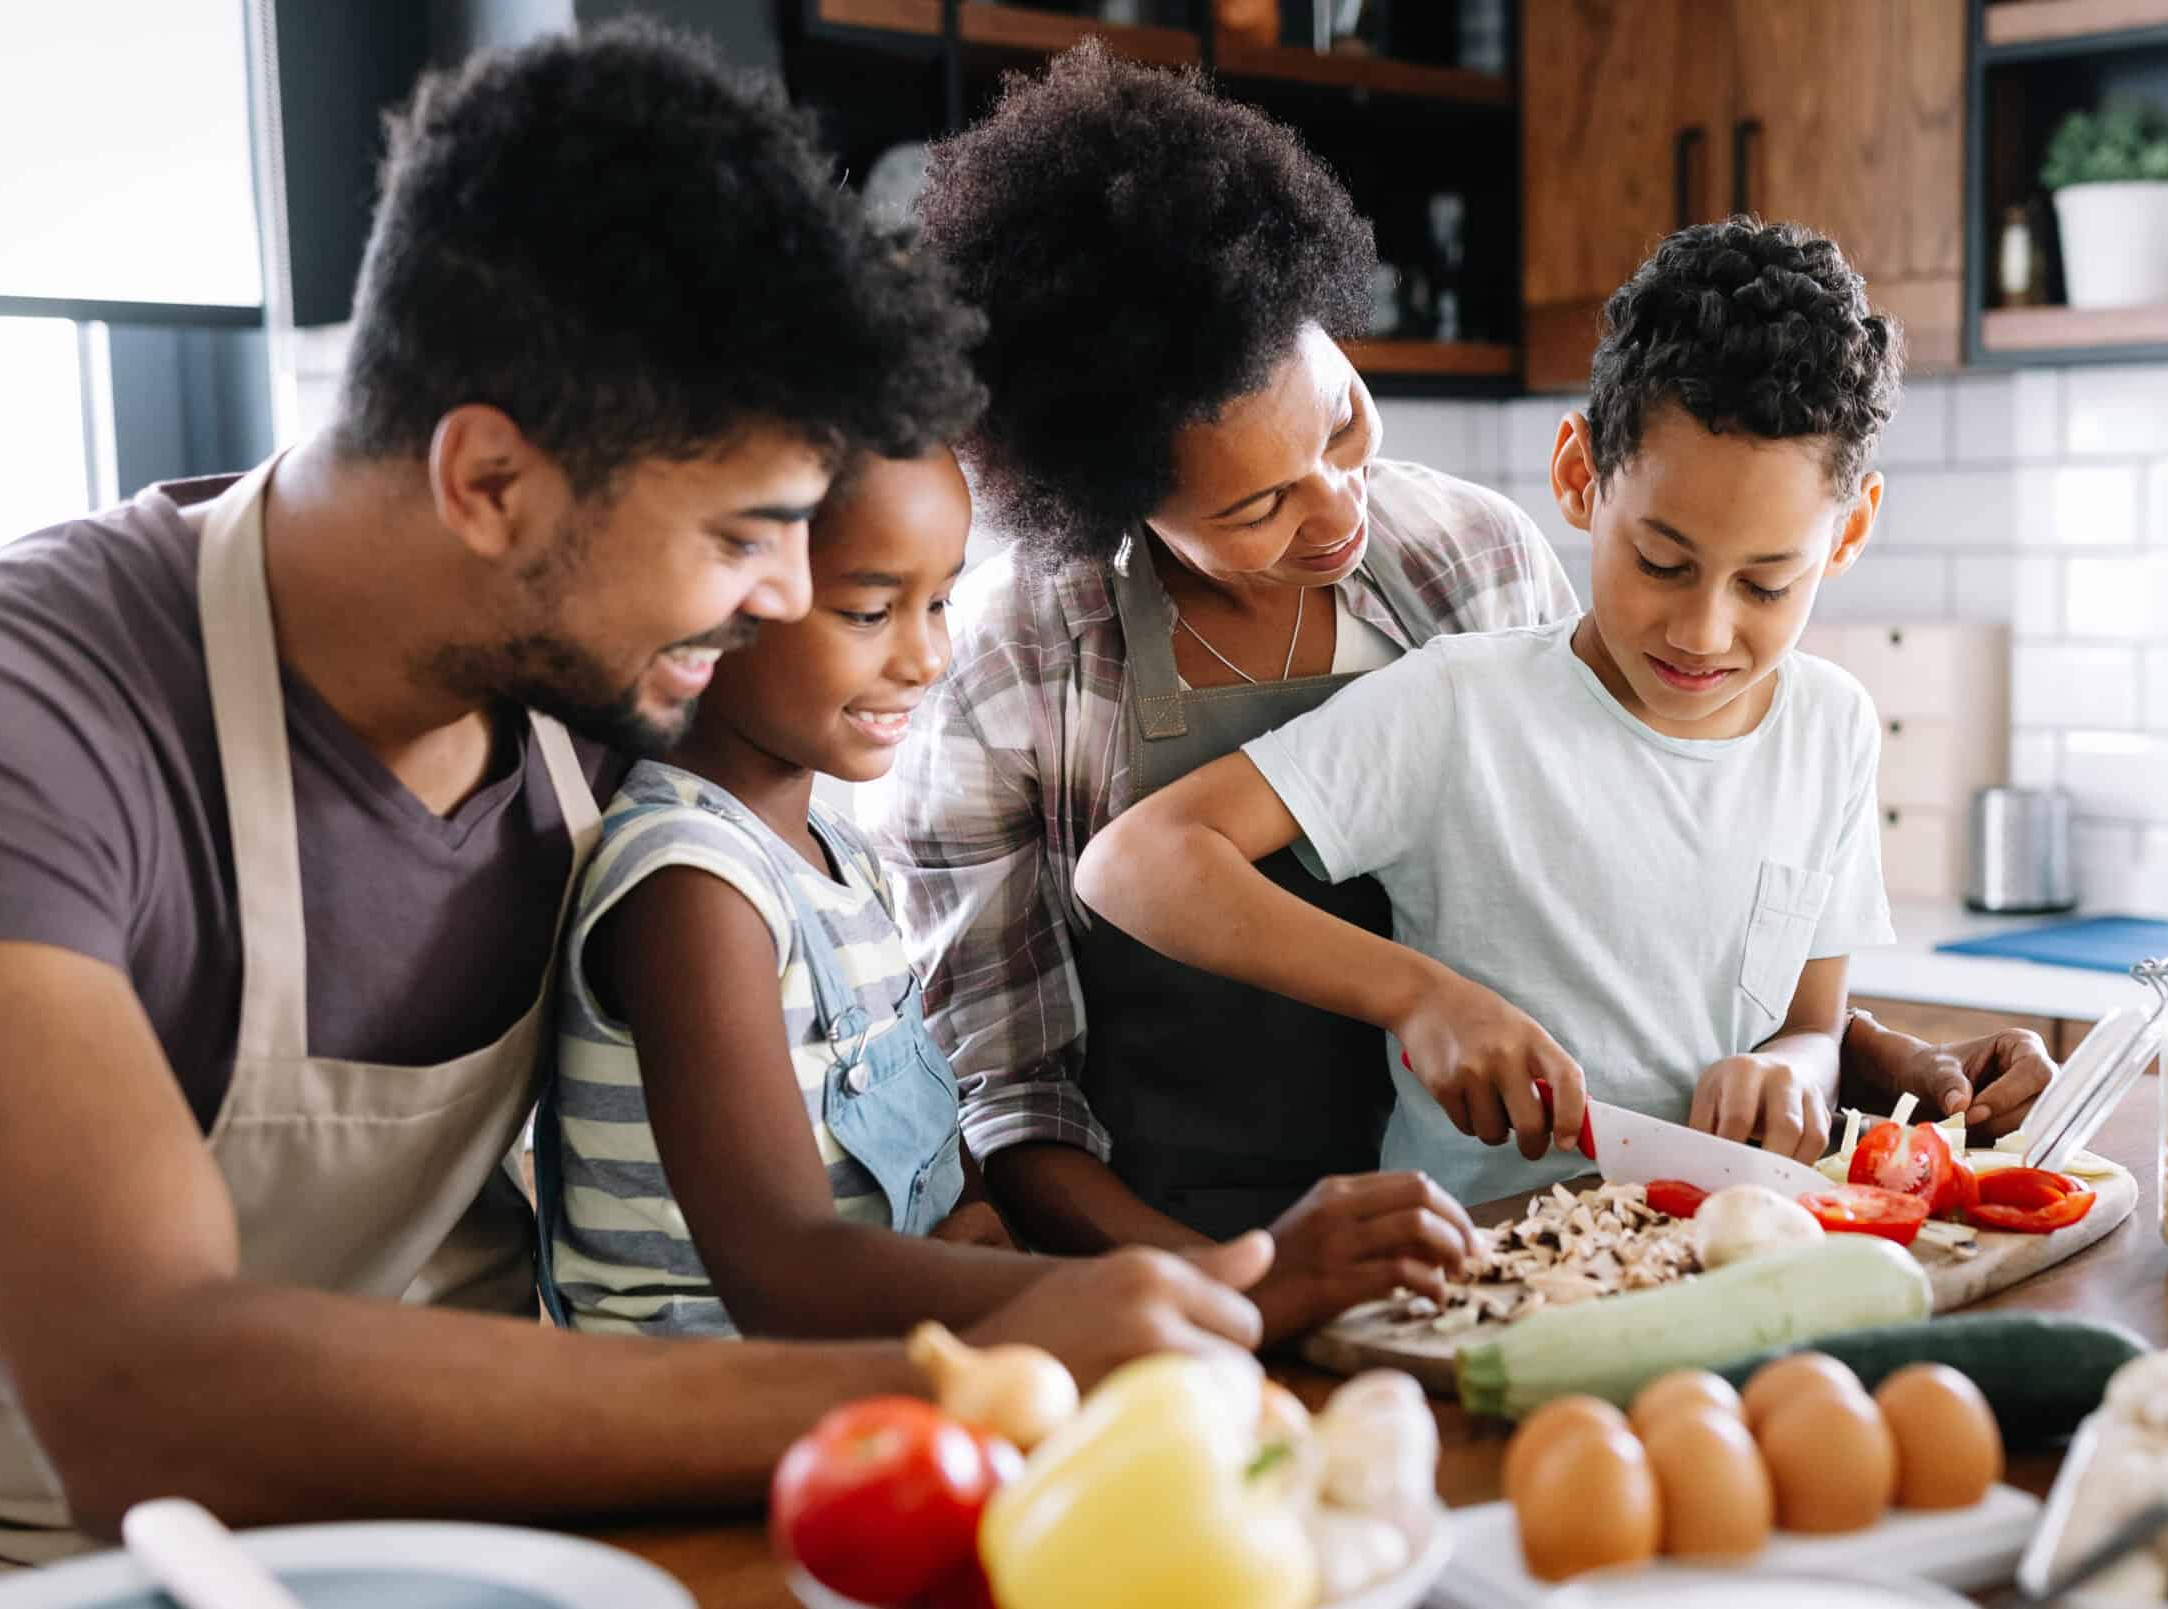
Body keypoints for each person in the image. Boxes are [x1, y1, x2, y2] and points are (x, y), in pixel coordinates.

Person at [0, 26, 1265, 1595]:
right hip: (93, 1572)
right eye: (746, 536)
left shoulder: (596, 694)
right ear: (486, 482)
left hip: (508, 1546)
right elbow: (149, 1399)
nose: (782, 602)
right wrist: (961, 1373)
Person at [866, 51, 2055, 1307]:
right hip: (1173, 1251)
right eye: (1262, 501)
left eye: (1341, 425)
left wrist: (1846, 1052)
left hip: (1486, 1239)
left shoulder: (1466, 558)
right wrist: (1235, 1287)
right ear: (1113, 494)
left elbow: (1609, 893)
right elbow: (1010, 1101)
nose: (1340, 515)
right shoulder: (1011, 663)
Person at [1076, 219, 1992, 1206]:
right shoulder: (1459, 706)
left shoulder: (1834, 726)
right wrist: (1420, 997)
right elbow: (1133, 865)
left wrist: (1793, 1074)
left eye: (1766, 585)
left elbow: (1812, 1021)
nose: (1702, 628)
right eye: (1661, 562)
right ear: (1578, 477)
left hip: (1730, 1246)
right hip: (1487, 1269)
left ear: (1848, 534)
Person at [539, 446, 1180, 1339]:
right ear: (706, 600)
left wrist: (981, 1231)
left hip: (864, 1369)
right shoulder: (692, 886)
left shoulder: (836, 851)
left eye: (940, 601)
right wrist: (1122, 1293)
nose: (930, 656)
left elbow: (928, 1142)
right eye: (871, 611)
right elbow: (785, 1267)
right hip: (707, 1424)